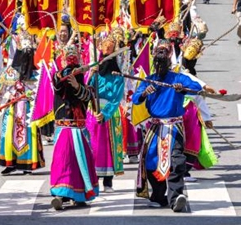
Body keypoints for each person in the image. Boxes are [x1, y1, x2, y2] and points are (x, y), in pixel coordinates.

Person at [133, 40, 203, 212]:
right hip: (155, 127)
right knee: (150, 161)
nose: (160, 62)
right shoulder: (149, 80)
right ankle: (158, 195)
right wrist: (144, 93)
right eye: (158, 56)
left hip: (174, 126)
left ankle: (175, 197)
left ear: (170, 58)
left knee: (177, 160)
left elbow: (196, 87)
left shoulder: (177, 78)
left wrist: (183, 88)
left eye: (164, 55)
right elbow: (135, 99)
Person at [50, 45, 99, 210]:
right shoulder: (58, 76)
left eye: (74, 55)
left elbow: (87, 97)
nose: (71, 57)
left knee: (79, 162)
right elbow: (57, 83)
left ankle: (80, 195)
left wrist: (77, 85)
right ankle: (60, 195)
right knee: (62, 161)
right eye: (68, 56)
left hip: (79, 129)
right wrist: (67, 75)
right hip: (63, 127)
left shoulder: (86, 86)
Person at [0, 33, 43, 175]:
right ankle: (10, 162)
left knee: (29, 135)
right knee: (8, 135)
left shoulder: (36, 73)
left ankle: (27, 163)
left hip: (28, 109)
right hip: (12, 108)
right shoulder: (10, 72)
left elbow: (41, 93)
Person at [86, 38, 126, 192]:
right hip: (93, 113)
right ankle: (92, 179)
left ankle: (108, 182)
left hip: (108, 115)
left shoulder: (117, 77)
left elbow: (116, 98)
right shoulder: (96, 74)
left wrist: (105, 113)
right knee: (92, 147)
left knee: (108, 147)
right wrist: (91, 74)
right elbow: (87, 90)